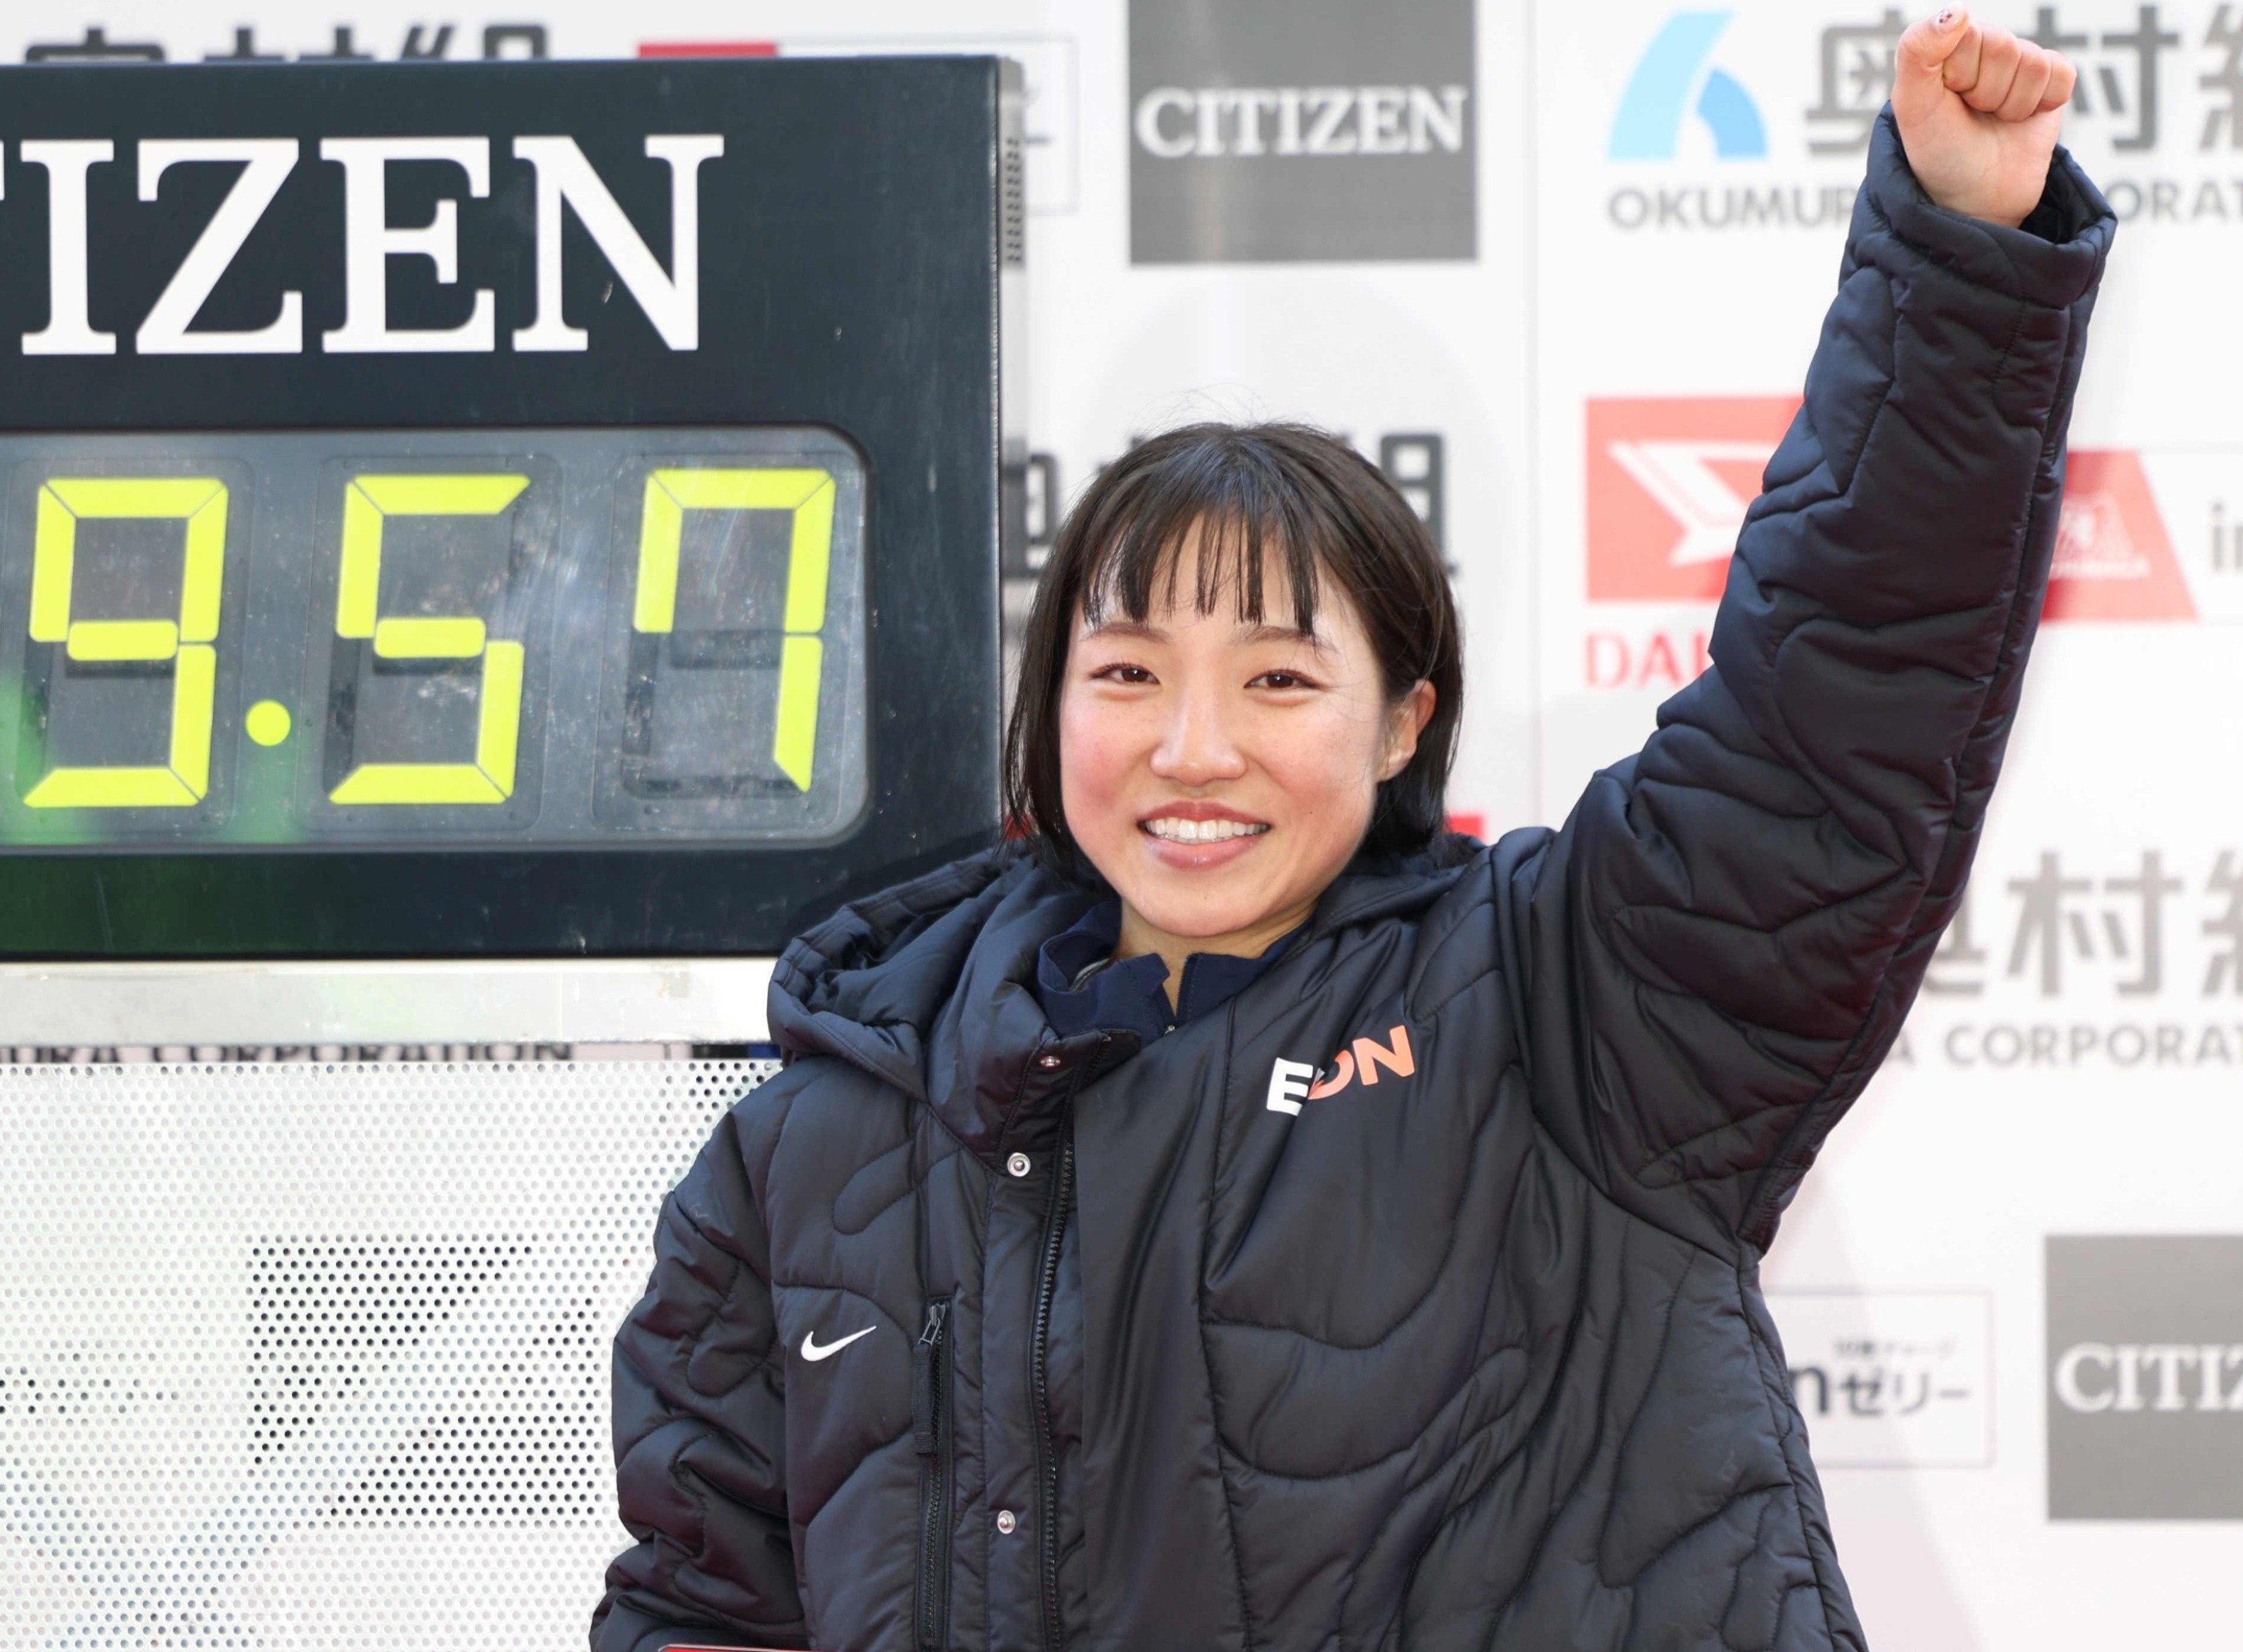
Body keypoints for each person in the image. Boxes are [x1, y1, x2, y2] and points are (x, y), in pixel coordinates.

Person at [596, 11, 2110, 1650]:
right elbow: (699, 1605)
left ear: (1400, 720)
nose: (1191, 749)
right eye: (1124, 671)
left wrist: (1953, 255)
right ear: (1046, 712)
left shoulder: (1572, 1006)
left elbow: (1846, 696)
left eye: (1273, 677)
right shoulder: (807, 1152)